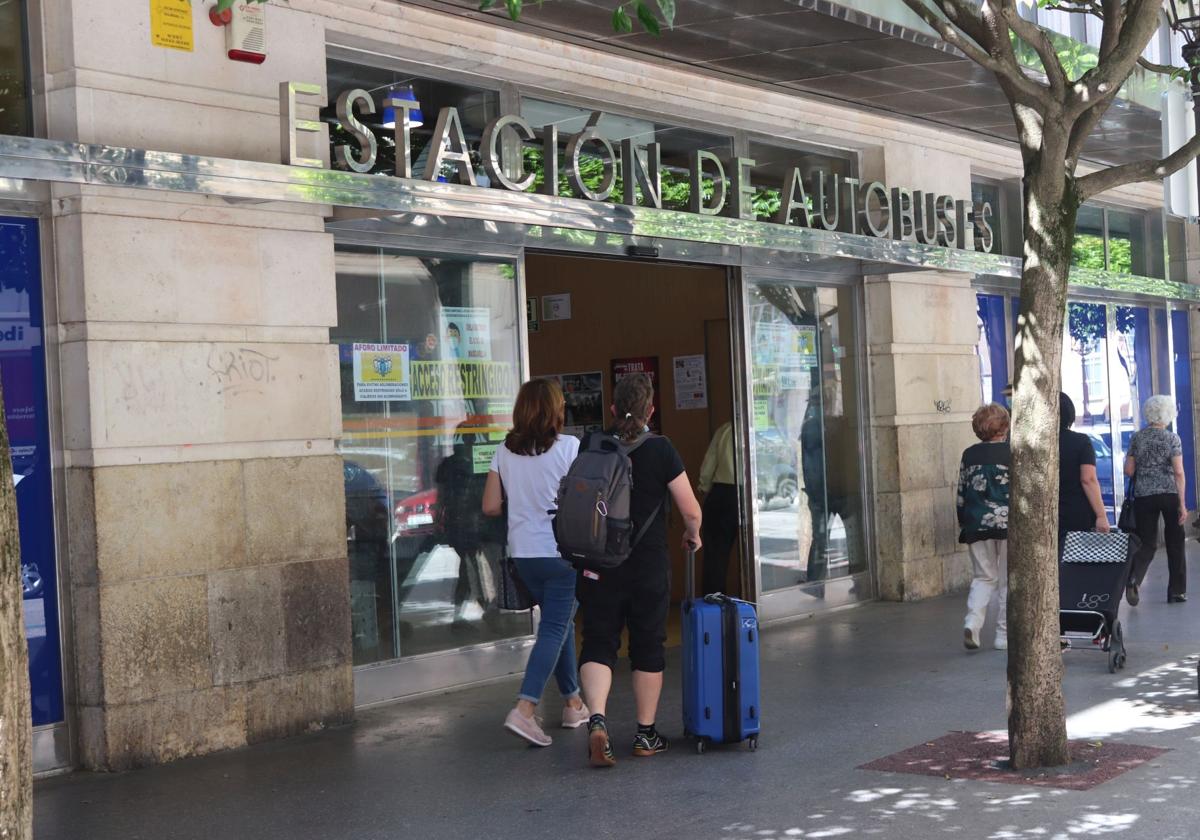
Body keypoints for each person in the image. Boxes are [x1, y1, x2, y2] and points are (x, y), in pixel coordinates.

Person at [577, 373, 702, 767]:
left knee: (599, 642)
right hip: (647, 565)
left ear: (612, 409)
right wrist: (691, 534)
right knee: (648, 646)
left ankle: (597, 720)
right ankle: (646, 735)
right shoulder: (662, 450)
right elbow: (690, 509)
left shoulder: (592, 445)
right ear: (651, 409)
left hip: (598, 563)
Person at [482, 378, 588, 747]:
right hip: (561, 554)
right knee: (555, 628)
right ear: (555, 410)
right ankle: (525, 709)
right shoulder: (570, 448)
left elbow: (491, 506)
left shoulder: (503, 452)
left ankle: (574, 703)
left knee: (558, 625)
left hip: (523, 556)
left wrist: (523, 502)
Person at [957, 403, 1011, 651]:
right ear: (1005, 427)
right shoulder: (1013, 452)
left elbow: (962, 493)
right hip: (1009, 524)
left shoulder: (969, 455)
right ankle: (1003, 635)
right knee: (1008, 580)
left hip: (976, 522)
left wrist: (964, 522)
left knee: (983, 576)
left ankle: (973, 623)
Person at [1124, 395, 1188, 605]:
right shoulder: (1172, 439)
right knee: (1175, 542)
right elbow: (1178, 472)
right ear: (1168, 414)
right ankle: (1176, 592)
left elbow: (1129, 470)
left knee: (1147, 542)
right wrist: (1182, 504)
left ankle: (1134, 579)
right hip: (1169, 495)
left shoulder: (1137, 438)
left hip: (1144, 496)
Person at [1059, 392, 1111, 536]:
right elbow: (1088, 479)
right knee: (1073, 557)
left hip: (1043, 513)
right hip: (1076, 512)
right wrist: (1101, 516)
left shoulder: (1034, 445)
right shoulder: (1081, 441)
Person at [698, 420, 738, 595]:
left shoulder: (725, 429)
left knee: (716, 554)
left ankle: (714, 601)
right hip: (750, 494)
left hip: (722, 493)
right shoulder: (757, 429)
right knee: (754, 552)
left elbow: (709, 463)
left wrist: (704, 486)